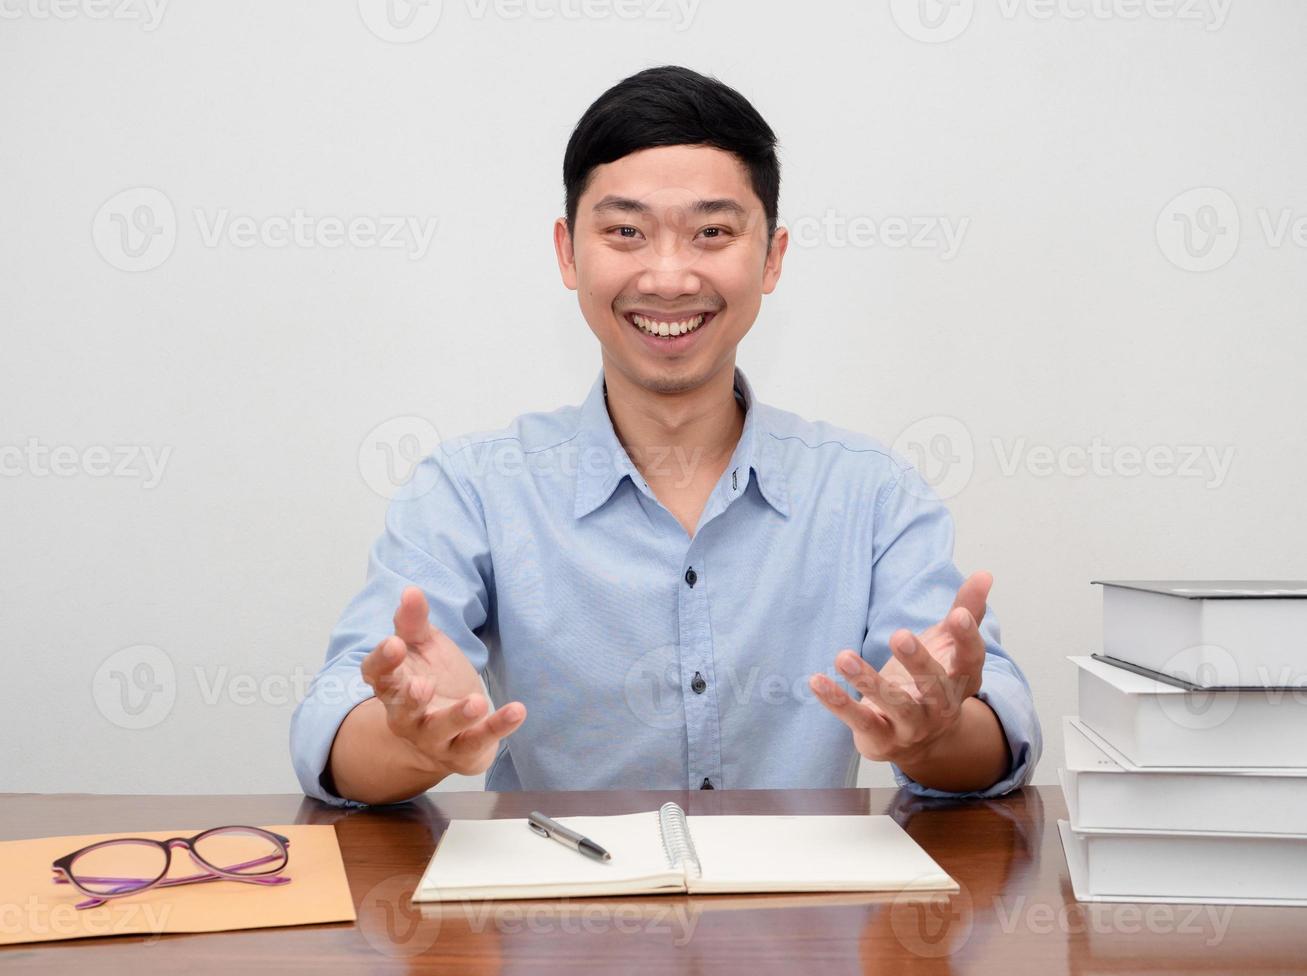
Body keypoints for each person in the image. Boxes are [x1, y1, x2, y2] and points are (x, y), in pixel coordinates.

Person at [290, 65, 1041, 807]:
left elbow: (994, 733)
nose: (669, 276)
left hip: (801, 923)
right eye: (625, 232)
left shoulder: (869, 490)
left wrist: (934, 733)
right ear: (566, 251)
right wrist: (411, 740)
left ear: (772, 256)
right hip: (557, 918)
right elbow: (332, 733)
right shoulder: (470, 489)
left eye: (712, 232)